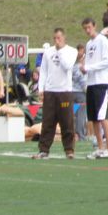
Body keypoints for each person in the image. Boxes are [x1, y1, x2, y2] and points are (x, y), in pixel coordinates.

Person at [32, 28, 77, 159]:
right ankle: (44, 150)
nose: (56, 41)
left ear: (64, 38)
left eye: (59, 38)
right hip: (50, 91)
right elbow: (44, 71)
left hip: (64, 91)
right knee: (48, 122)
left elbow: (67, 66)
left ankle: (69, 150)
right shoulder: (48, 52)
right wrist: (41, 88)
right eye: (55, 38)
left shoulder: (71, 51)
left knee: (67, 122)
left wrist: (60, 51)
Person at [80, 17, 108, 158]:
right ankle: (100, 147)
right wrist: (84, 69)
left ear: (94, 26)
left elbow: (107, 61)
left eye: (89, 27)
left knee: (102, 116)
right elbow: (87, 64)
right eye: (85, 28)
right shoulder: (88, 44)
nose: (88, 30)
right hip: (91, 83)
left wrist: (89, 67)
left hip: (101, 82)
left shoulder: (102, 40)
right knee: (93, 117)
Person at [71, 45, 87, 141]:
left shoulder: (71, 65)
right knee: (81, 115)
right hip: (80, 92)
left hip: (71, 92)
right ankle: (81, 136)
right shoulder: (79, 67)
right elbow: (81, 79)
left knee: (73, 115)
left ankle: (73, 135)